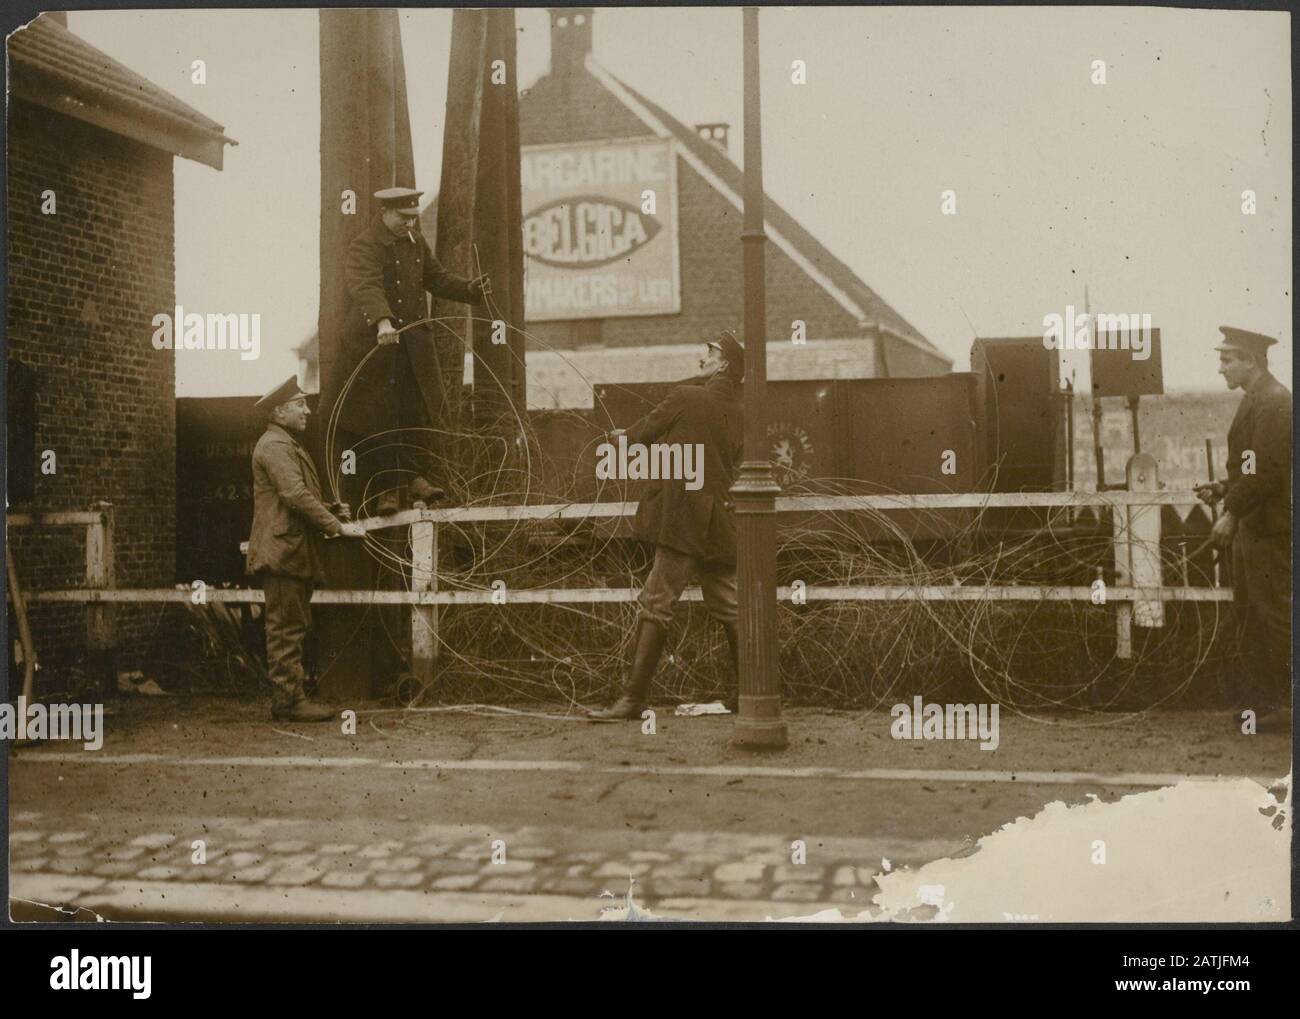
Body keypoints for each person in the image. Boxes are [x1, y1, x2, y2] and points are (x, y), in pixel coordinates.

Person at [588, 330, 746, 721]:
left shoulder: (685, 396)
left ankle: (632, 700)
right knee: (731, 607)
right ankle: (751, 693)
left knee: (656, 604)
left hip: (683, 524)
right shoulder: (740, 412)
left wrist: (619, 439)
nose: (700, 360)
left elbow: (640, 436)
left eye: (707, 354)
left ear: (723, 363)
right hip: (719, 524)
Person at [340, 186, 492, 515]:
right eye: (403, 218)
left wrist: (468, 289)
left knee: (416, 411)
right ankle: (387, 490)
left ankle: (415, 479)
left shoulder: (415, 243)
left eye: (413, 218)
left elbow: (436, 279)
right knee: (383, 417)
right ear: (385, 213)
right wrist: (382, 322)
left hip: (413, 346)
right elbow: (366, 286)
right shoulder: (365, 246)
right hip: (380, 347)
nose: (410, 224)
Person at [247, 376, 365, 722]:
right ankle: (288, 701)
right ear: (280, 410)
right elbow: (294, 495)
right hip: (283, 553)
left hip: (290, 551)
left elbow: (299, 495)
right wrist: (337, 526)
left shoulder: (284, 444)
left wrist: (329, 508)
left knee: (291, 626)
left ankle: (291, 696)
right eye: (299, 404)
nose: (307, 410)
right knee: (285, 629)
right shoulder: (276, 446)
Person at [1194, 326, 1292, 730]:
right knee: (1253, 617)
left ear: (1250, 360)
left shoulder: (1274, 404)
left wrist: (1230, 512)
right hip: (1255, 530)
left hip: (1269, 532)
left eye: (1226, 359)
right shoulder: (1258, 400)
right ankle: (1267, 704)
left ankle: (1287, 705)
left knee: (1275, 616)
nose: (1221, 368)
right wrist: (1223, 488)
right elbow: (1250, 467)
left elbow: (1265, 472)